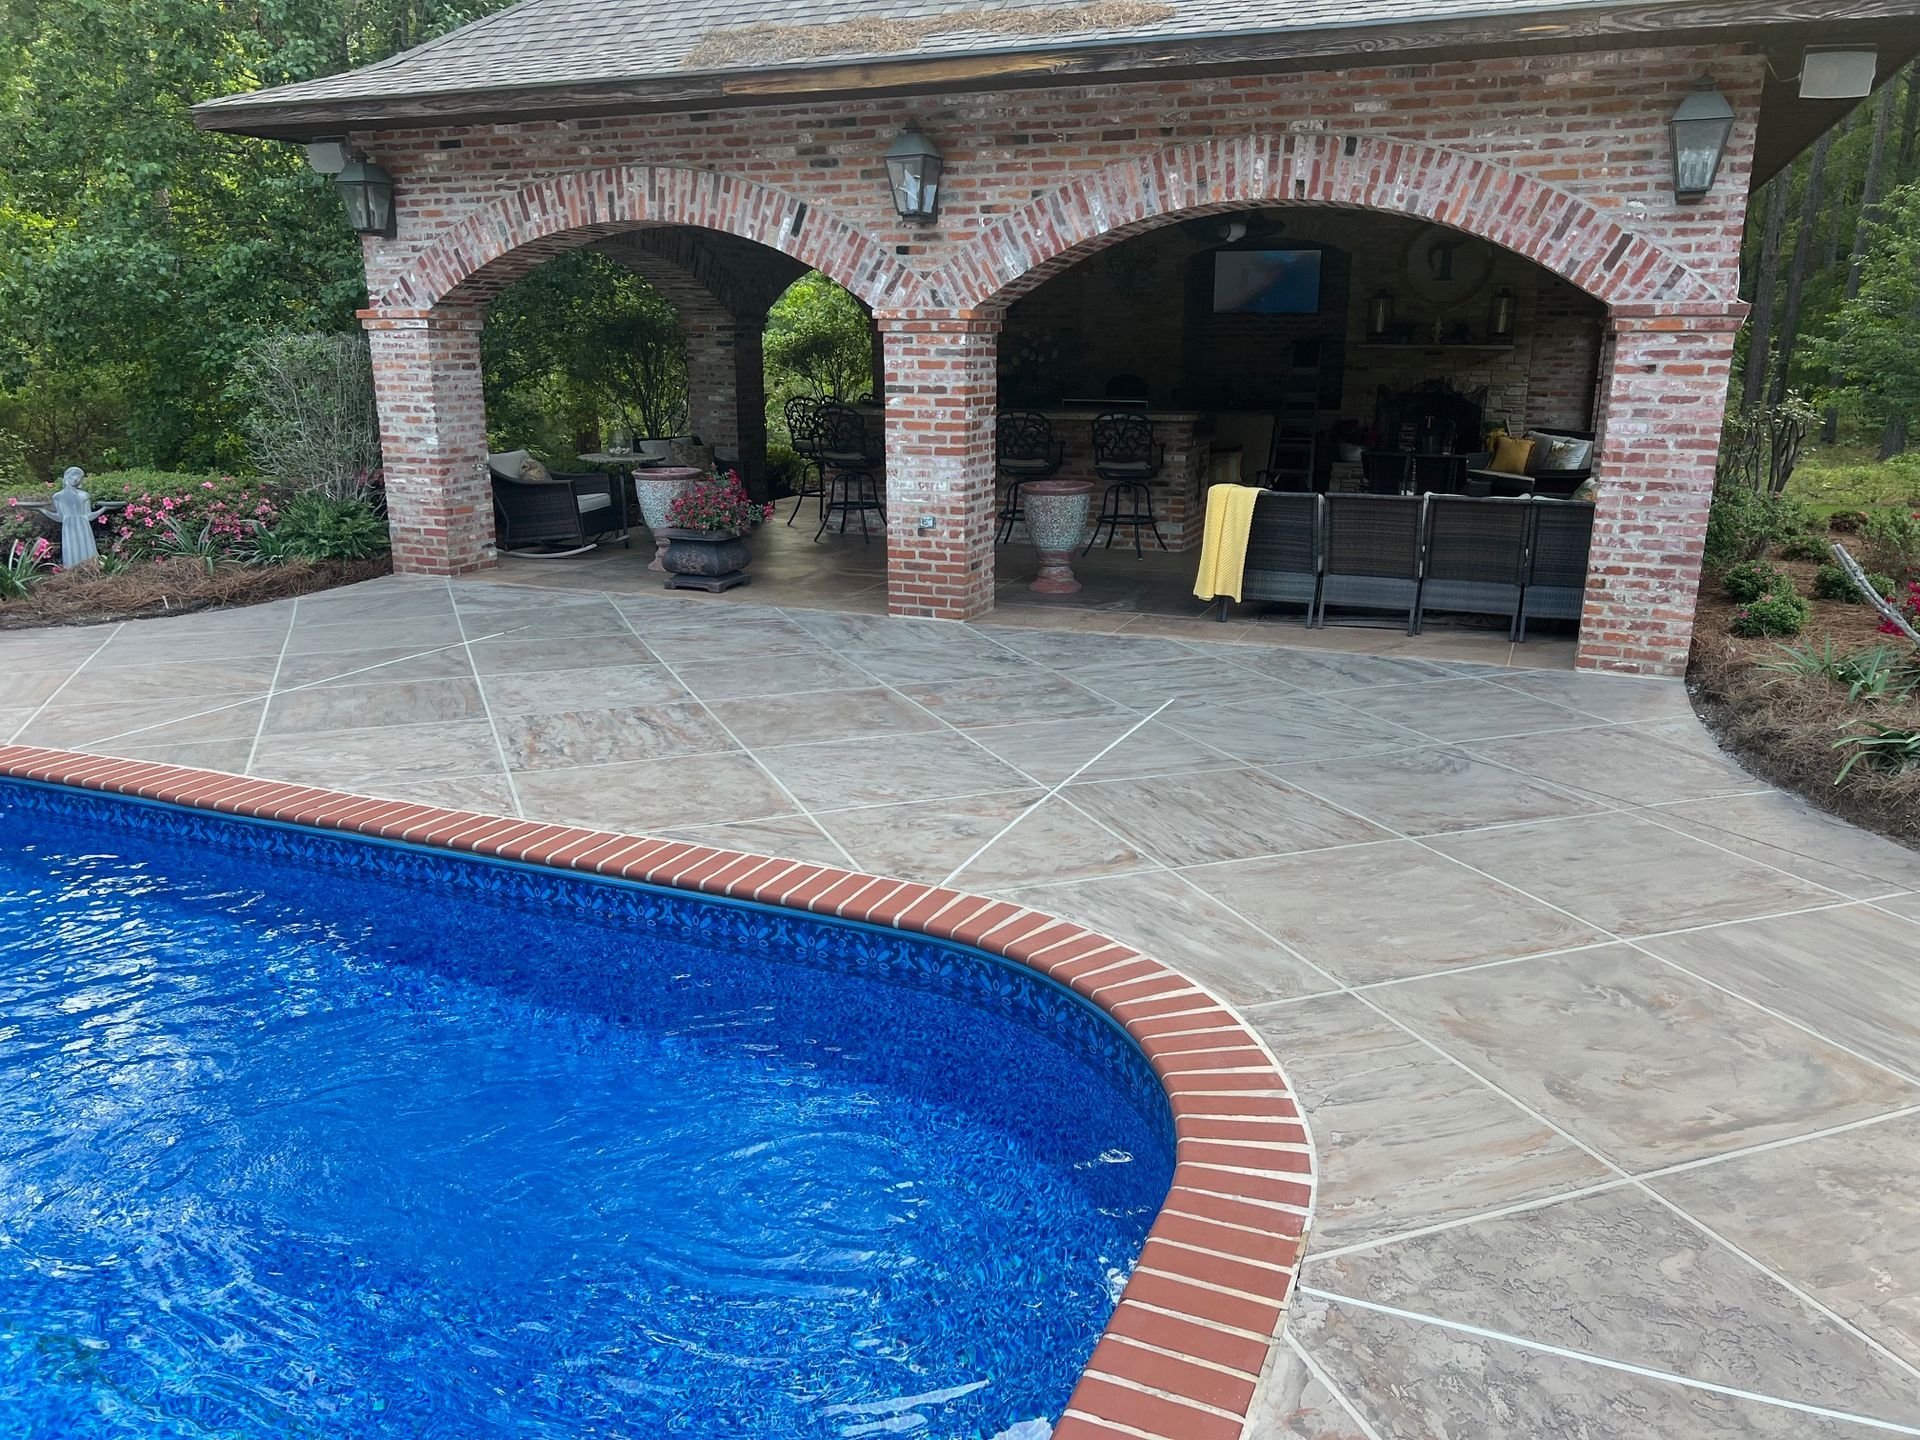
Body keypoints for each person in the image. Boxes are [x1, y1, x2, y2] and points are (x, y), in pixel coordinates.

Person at [38, 467, 114, 569]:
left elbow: (89, 516)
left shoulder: (84, 495)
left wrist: (104, 509)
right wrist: (41, 510)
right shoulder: (58, 496)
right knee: (71, 549)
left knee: (86, 548)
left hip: (83, 526)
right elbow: (60, 517)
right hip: (68, 527)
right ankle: (72, 573)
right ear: (66, 476)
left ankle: (91, 570)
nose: (75, 479)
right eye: (73, 475)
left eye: (79, 477)